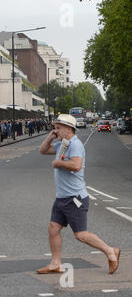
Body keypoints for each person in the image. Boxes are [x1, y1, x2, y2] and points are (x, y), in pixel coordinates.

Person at [37, 114, 120, 275]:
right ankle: (55, 263)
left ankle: (110, 251)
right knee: (53, 228)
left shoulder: (75, 145)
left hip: (75, 197)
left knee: (81, 234)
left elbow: (76, 165)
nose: (56, 130)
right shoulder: (63, 144)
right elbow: (43, 150)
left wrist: (58, 163)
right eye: (55, 127)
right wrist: (50, 137)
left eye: (59, 127)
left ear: (69, 128)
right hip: (62, 197)